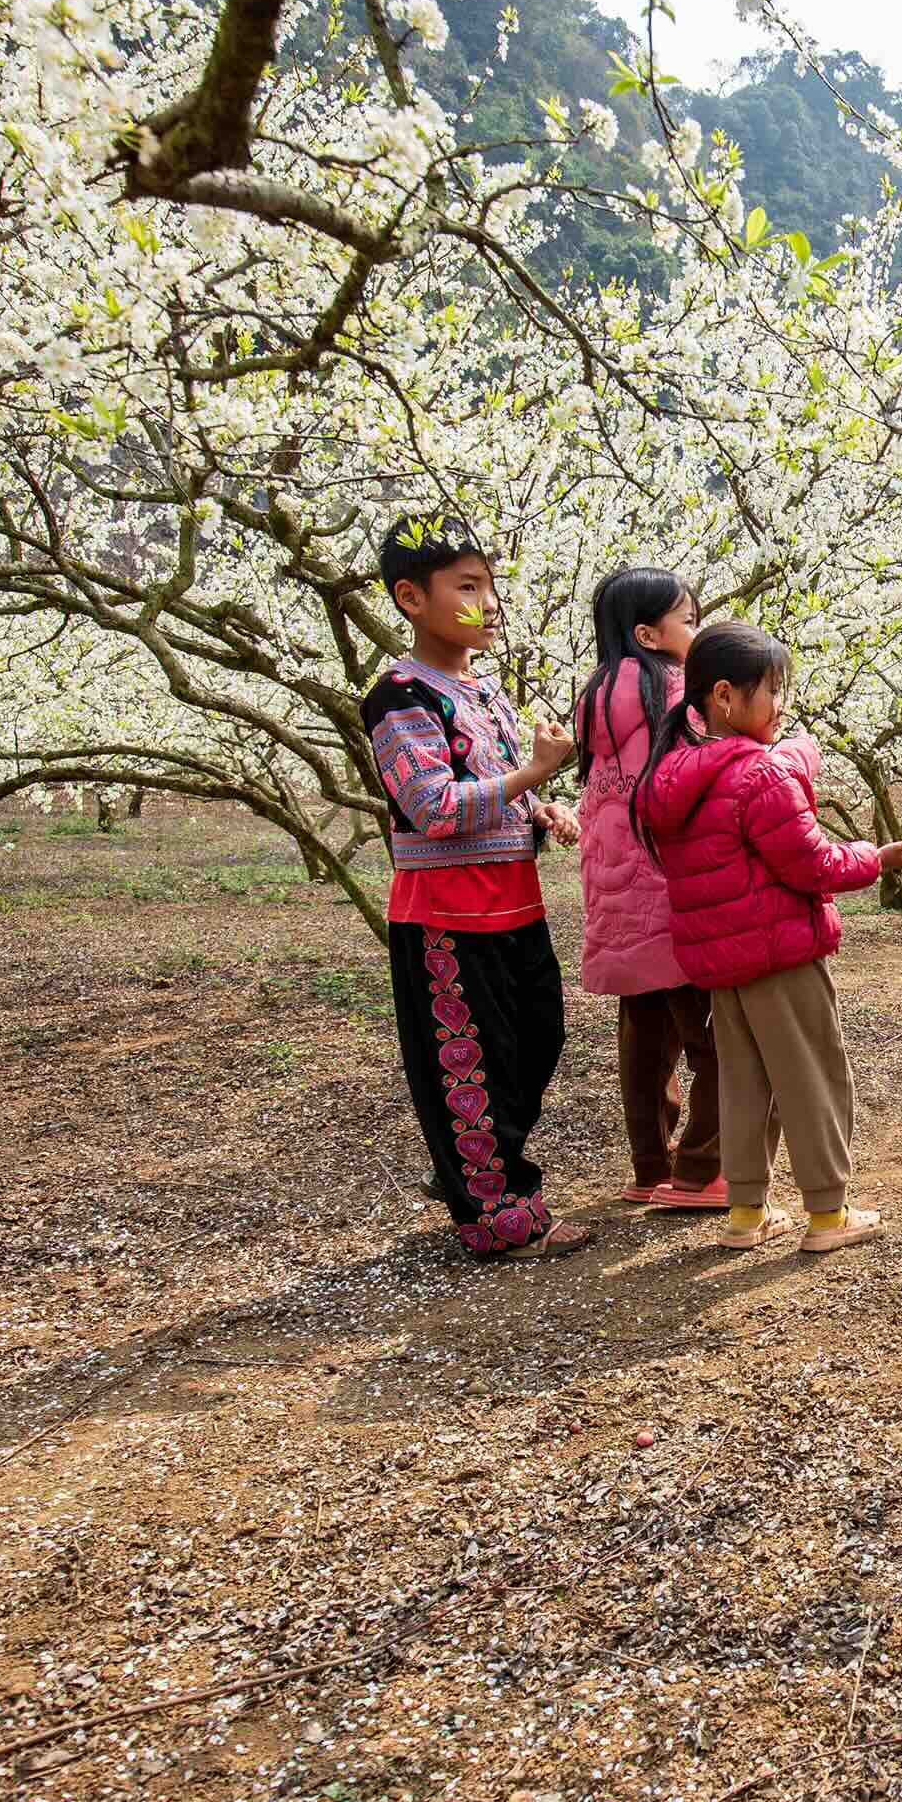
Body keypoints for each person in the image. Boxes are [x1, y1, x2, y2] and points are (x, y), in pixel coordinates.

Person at [636, 622, 902, 1252]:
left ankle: (744, 1214)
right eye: (772, 690)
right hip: (781, 957)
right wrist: (875, 857)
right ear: (726, 698)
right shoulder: (760, 776)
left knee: (744, 1086)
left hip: (724, 967)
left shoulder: (678, 775)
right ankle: (827, 1215)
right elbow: (812, 863)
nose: (782, 704)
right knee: (814, 1078)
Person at [360, 515, 592, 1260]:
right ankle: (501, 1219)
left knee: (538, 1038)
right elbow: (433, 807)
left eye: (490, 585)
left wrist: (538, 807)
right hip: (446, 915)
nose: (488, 602)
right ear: (409, 597)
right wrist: (532, 775)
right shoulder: (398, 695)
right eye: (466, 586)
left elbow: (487, 790)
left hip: (514, 900)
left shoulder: (483, 689)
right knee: (469, 1060)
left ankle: (465, 1166)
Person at [573, 567, 726, 1210]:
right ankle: (701, 1170)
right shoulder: (672, 692)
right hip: (670, 893)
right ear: (648, 633)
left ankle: (648, 1166)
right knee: (716, 1039)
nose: (697, 630)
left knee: (643, 1037)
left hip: (612, 899)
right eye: (688, 620)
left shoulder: (597, 697)